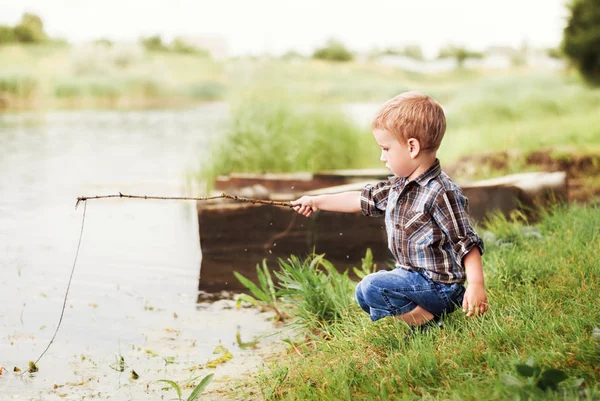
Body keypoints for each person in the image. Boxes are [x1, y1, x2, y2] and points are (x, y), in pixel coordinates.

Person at [291, 91, 487, 334]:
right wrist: (316, 200)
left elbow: (465, 242)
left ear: (412, 147)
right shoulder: (398, 185)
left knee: (373, 286)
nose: (382, 157)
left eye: (386, 148)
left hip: (440, 287)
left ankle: (428, 324)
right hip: (413, 277)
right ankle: (426, 320)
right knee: (363, 293)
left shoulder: (441, 193)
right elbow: (359, 199)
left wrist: (476, 284)